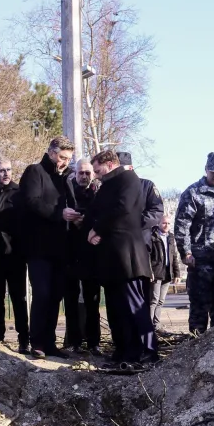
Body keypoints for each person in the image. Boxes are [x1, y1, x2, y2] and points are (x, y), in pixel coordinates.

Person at [86, 148, 157, 367]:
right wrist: (88, 223)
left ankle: (148, 351)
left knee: (135, 305)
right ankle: (125, 351)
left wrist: (97, 228)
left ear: (108, 164)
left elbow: (122, 209)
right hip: (112, 258)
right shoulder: (108, 185)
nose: (96, 175)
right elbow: (96, 209)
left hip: (128, 255)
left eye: (98, 170)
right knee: (117, 308)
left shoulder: (128, 179)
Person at [19, 136, 81, 358]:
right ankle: (36, 341)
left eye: (68, 158)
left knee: (55, 295)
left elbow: (69, 203)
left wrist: (75, 217)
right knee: (43, 293)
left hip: (60, 248)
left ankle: (50, 341)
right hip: (39, 246)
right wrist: (59, 214)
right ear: (52, 152)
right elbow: (31, 201)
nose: (65, 162)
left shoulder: (64, 178)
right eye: (62, 157)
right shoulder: (34, 172)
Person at [174, 152, 214, 333]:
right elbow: (181, 225)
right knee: (199, 308)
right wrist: (185, 252)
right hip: (200, 261)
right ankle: (197, 348)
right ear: (206, 169)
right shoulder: (193, 193)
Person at [0, 155, 29, 352]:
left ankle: (24, 338)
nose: (6, 174)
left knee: (18, 297)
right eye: (2, 170)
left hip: (15, 254)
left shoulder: (19, 193)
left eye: (9, 170)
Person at [63, 157, 101, 354]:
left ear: (92, 174)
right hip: (70, 253)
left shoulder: (98, 193)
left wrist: (85, 222)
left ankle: (94, 342)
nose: (84, 176)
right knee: (70, 300)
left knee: (92, 300)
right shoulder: (67, 192)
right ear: (75, 173)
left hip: (90, 254)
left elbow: (102, 217)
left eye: (87, 173)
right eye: (81, 173)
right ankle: (74, 341)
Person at [118, 151, 164, 248]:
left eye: (121, 169)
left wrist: (135, 222)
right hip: (117, 244)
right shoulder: (112, 188)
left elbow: (157, 211)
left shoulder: (147, 186)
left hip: (140, 242)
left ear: (130, 168)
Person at [148, 213, 181, 330]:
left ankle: (156, 325)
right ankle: (148, 326)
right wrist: (149, 271)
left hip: (167, 273)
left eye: (168, 223)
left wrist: (177, 273)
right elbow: (147, 255)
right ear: (158, 223)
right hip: (156, 273)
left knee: (161, 301)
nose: (166, 225)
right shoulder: (152, 236)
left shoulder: (170, 237)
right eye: (164, 223)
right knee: (153, 300)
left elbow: (174, 256)